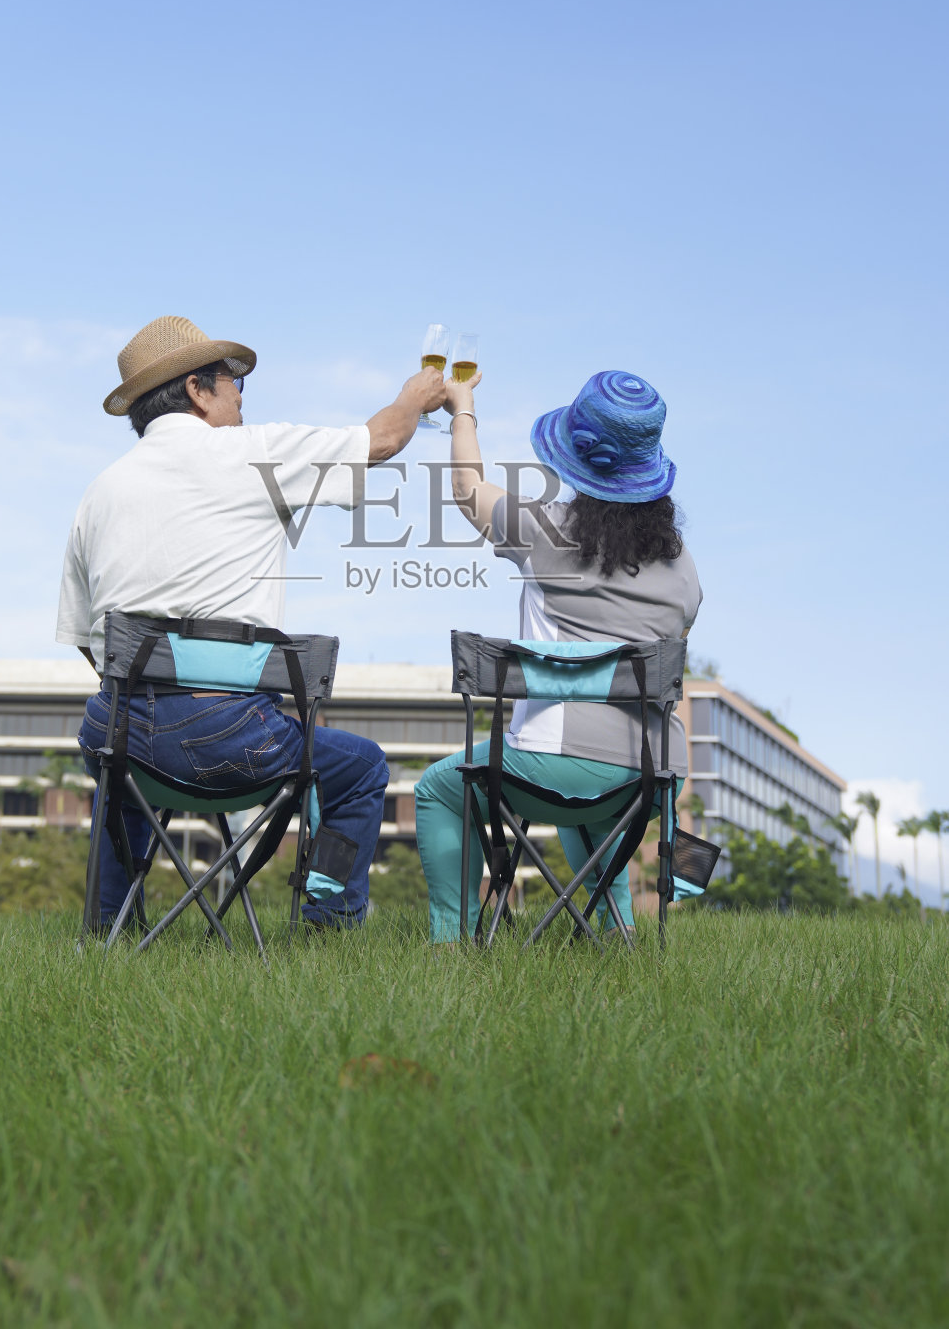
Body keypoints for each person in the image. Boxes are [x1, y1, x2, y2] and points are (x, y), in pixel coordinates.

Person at [57, 314, 445, 928]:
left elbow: (89, 642)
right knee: (363, 766)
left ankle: (108, 927)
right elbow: (381, 442)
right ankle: (328, 923)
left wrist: (154, 693)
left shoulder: (99, 490)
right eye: (233, 384)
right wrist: (415, 397)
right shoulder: (249, 453)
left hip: (119, 734)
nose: (239, 398)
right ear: (197, 389)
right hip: (230, 738)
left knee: (118, 764)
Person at [415, 368, 701, 941]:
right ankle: (613, 930)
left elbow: (469, 492)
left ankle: (453, 938)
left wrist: (462, 408)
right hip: (649, 777)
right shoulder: (684, 572)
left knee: (438, 788)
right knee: (597, 798)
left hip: (555, 762)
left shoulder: (550, 532)